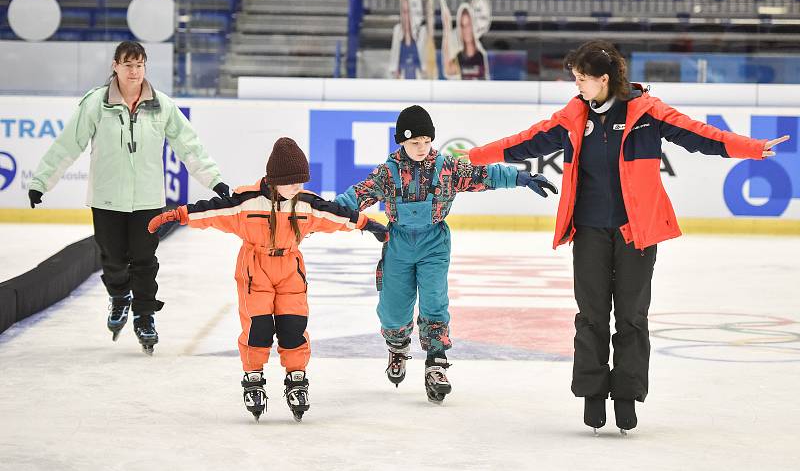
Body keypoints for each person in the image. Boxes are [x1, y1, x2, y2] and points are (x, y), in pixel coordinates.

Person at [459, 40, 790, 433]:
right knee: (592, 316)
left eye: (581, 79)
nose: (576, 86)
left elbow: (700, 136)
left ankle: (628, 395)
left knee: (632, 317)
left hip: (637, 231)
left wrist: (752, 149)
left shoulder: (647, 113)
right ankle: (593, 392)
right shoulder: (573, 115)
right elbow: (524, 142)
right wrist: (470, 157)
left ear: (604, 79)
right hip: (589, 231)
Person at [146, 137, 389, 422]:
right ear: (275, 181)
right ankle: (253, 378)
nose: (299, 188)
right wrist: (178, 215)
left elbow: (335, 214)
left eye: (302, 182)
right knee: (257, 326)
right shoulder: (247, 203)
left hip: (290, 270)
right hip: (255, 270)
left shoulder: (305, 204)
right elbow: (212, 210)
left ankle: (296, 378)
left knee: (294, 325)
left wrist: (366, 224)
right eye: (293, 183)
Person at [334, 105, 556, 403]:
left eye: (426, 141)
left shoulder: (447, 167)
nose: (421, 148)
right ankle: (398, 347)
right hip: (398, 242)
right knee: (393, 307)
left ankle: (436, 362)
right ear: (401, 141)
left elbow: (484, 174)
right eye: (414, 143)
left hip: (434, 243)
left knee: (435, 300)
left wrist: (521, 178)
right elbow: (354, 197)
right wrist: (326, 214)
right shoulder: (387, 174)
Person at [27, 41, 229, 355]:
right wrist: (42, 182)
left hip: (148, 200)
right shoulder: (97, 103)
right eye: (127, 64)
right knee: (113, 258)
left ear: (145, 68)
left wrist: (214, 180)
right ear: (115, 66)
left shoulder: (162, 105)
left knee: (145, 260)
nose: (133, 71)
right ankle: (120, 296)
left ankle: (145, 315)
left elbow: (190, 147)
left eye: (139, 65)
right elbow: (68, 145)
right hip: (107, 198)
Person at [442, 3, 489, 80]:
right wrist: (447, 28)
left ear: (472, 26)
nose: (466, 30)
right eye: (463, 26)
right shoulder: (460, 57)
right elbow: (448, 70)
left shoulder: (480, 56)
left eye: (468, 25)